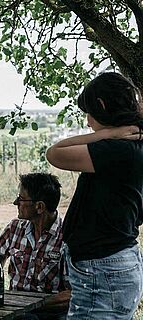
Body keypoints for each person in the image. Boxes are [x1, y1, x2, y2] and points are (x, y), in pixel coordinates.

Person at [46, 72, 143, 319]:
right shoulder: (135, 146)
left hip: (103, 268)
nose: (88, 122)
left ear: (101, 105)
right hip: (112, 264)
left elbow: (55, 153)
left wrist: (107, 134)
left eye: (88, 113)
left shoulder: (119, 149)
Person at [0, 173, 70, 320]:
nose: (16, 202)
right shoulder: (14, 228)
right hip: (13, 310)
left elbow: (72, 294)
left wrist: (32, 304)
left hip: (49, 313)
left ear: (39, 206)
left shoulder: (67, 237)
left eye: (21, 199)